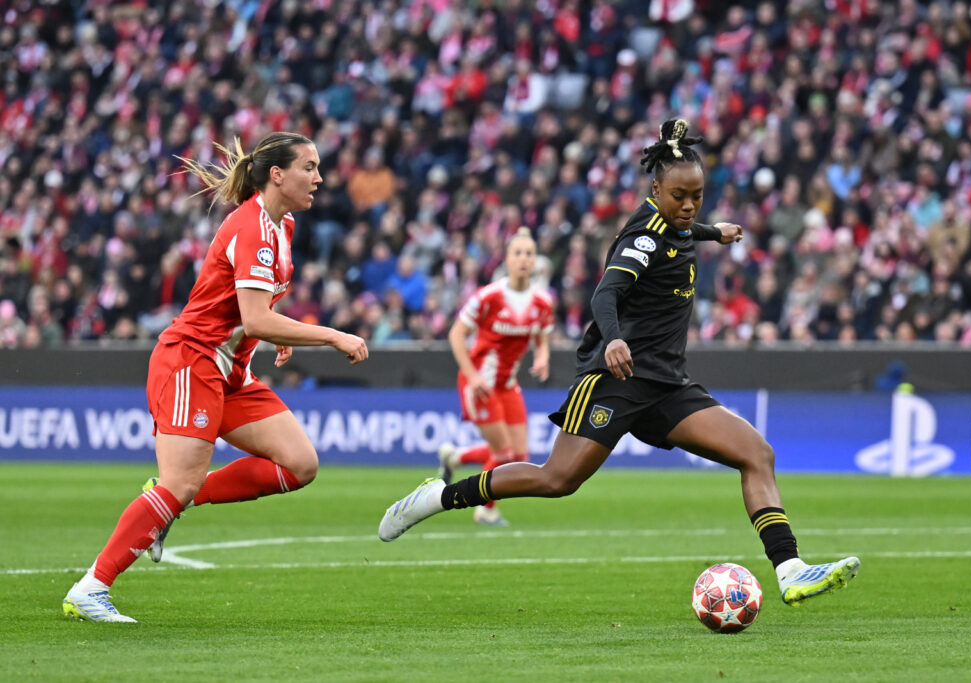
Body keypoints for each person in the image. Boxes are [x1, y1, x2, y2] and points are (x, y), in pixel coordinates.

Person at [378, 119, 860, 606]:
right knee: (557, 480)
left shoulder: (682, 225)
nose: (689, 205)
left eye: (697, 195)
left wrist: (717, 232)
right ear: (656, 190)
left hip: (667, 385)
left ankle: (790, 569)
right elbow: (606, 293)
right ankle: (437, 498)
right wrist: (612, 341)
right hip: (617, 379)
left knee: (756, 453)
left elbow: (688, 230)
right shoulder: (644, 240)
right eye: (679, 196)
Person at [62, 133, 369, 623]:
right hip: (192, 362)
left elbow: (256, 308)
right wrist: (330, 335)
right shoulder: (251, 227)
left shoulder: (283, 224)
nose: (319, 178)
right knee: (178, 483)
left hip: (230, 371)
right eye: (309, 167)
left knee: (299, 463)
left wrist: (273, 329)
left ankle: (169, 504)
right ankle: (91, 588)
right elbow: (253, 316)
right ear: (277, 174)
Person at [436, 227, 553, 526]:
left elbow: (541, 339)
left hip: (508, 384)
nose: (524, 259)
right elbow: (456, 334)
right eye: (518, 253)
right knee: (503, 454)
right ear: (507, 259)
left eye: (529, 253)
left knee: (520, 456)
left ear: (536, 260)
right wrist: (473, 377)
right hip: (480, 384)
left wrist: (542, 358)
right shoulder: (488, 296)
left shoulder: (542, 302)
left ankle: (456, 458)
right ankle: (484, 509)